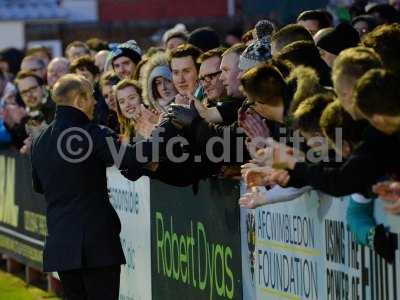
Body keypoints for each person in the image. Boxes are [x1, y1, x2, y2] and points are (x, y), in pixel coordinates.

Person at [30, 74, 178, 300]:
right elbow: (134, 158)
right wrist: (161, 129)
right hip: (96, 244)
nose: (95, 102)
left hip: (62, 245)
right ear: (79, 100)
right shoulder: (93, 133)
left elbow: (39, 186)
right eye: (90, 96)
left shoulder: (40, 141)